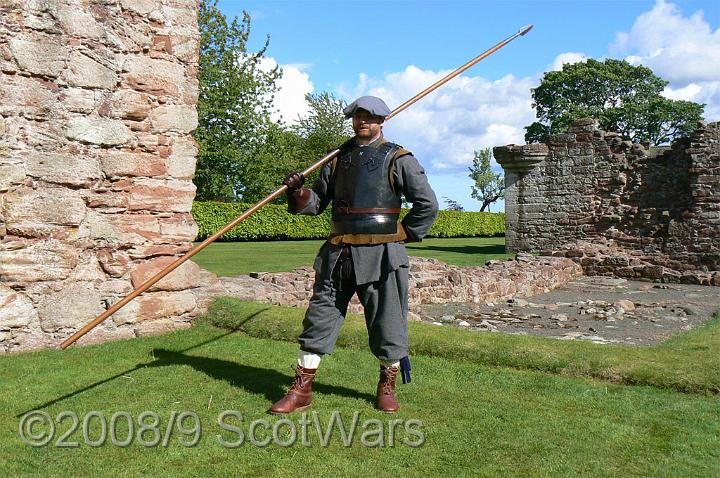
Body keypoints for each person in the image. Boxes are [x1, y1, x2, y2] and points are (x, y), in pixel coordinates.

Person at [270, 96, 438, 414]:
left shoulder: (398, 158)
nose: (364, 122)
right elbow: (316, 203)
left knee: (388, 323)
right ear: (352, 120)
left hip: (382, 255)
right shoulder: (336, 159)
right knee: (318, 320)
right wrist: (296, 191)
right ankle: (301, 390)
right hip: (339, 253)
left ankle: (386, 386)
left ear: (382, 121)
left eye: (371, 117)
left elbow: (427, 204)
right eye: (359, 116)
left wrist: (404, 232)